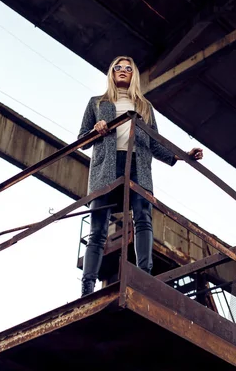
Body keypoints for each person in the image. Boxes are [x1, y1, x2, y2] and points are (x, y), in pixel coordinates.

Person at [78, 55, 203, 297]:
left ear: (133, 74)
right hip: (106, 168)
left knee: (143, 219)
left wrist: (182, 156)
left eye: (128, 68)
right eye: (118, 68)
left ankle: (144, 277)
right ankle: (87, 286)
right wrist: (95, 131)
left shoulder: (145, 107)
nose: (123, 71)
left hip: (138, 167)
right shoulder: (96, 103)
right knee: (98, 230)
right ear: (112, 74)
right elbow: (81, 139)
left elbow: (155, 144)